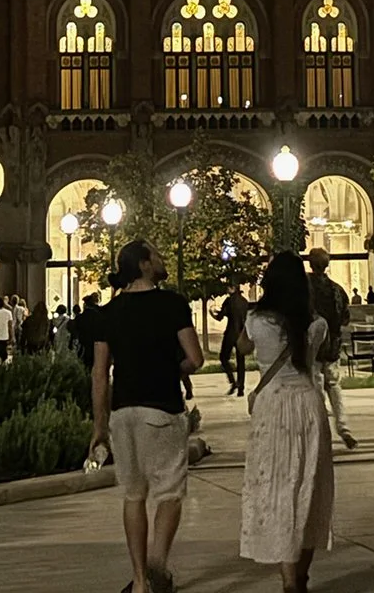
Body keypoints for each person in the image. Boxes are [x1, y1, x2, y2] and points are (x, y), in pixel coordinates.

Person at [92, 240, 203, 593]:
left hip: (123, 412)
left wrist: (98, 426)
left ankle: (140, 581)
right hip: (162, 408)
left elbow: (98, 373)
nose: (162, 257)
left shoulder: (108, 312)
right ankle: (157, 565)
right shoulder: (172, 304)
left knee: (133, 495)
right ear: (143, 265)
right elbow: (196, 359)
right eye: (156, 254)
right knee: (169, 493)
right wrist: (173, 368)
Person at [238, 251, 334, 593]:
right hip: (307, 405)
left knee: (278, 489)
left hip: (272, 407)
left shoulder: (258, 321)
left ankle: (288, 579)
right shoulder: (316, 325)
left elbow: (243, 346)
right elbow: (313, 354)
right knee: (308, 489)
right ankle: (301, 577)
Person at [306, 247, 357, 450]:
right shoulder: (337, 290)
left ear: (310, 264)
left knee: (315, 388)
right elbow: (345, 317)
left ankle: (320, 432)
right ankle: (343, 427)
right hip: (333, 347)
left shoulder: (305, 288)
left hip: (313, 348)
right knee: (335, 387)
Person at [213, 282, 249, 397]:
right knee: (241, 361)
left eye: (228, 287)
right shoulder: (244, 302)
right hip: (242, 334)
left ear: (233, 288)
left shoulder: (229, 301)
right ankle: (241, 388)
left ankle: (233, 381)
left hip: (230, 334)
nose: (227, 290)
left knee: (223, 357)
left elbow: (220, 317)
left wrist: (212, 313)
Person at [71, 292, 104, 370]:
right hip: (96, 345)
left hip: (83, 344)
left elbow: (76, 330)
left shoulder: (80, 318)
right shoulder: (98, 316)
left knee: (84, 365)